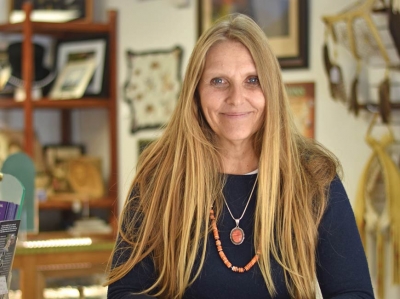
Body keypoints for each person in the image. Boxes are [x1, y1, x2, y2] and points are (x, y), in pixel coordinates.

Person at [105, 13, 374, 299]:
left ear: (271, 89)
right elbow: (125, 292)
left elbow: (354, 293)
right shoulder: (159, 176)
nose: (236, 98)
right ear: (195, 92)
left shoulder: (313, 177)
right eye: (218, 81)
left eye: (252, 80)